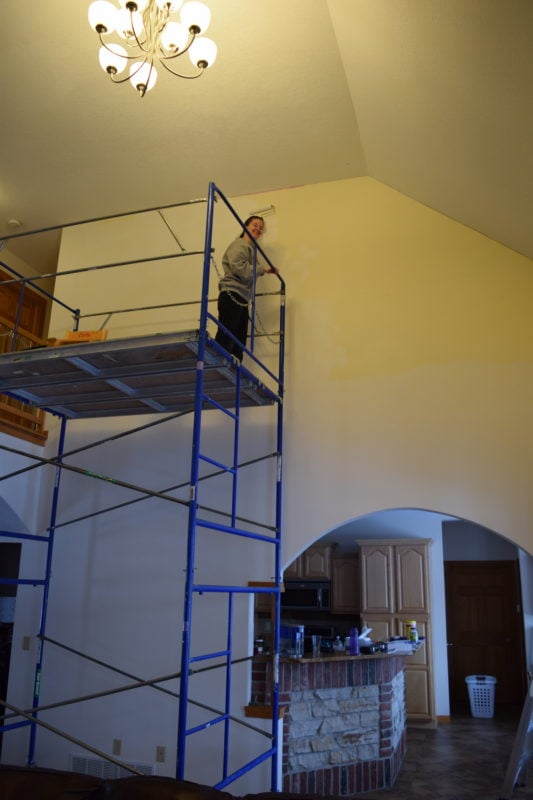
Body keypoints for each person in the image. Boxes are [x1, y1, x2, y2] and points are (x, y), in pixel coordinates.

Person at [214, 215, 277, 361]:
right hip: (232, 294)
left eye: (261, 228)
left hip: (241, 297)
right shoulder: (240, 245)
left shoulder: (249, 249)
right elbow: (239, 269)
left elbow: (246, 270)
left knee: (239, 337)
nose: (258, 229)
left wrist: (260, 268)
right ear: (245, 226)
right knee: (228, 333)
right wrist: (263, 269)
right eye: (255, 225)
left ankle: (235, 367)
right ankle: (217, 363)